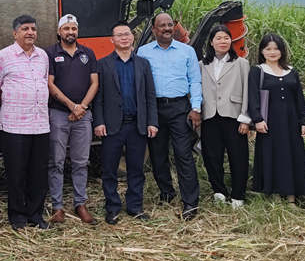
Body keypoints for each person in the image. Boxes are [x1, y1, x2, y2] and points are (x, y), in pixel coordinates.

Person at [137, 12, 203, 220]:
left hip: (179, 108)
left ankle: (190, 202)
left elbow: (195, 81)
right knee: (158, 155)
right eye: (161, 26)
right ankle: (166, 192)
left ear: (173, 27)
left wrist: (196, 108)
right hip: (154, 109)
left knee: (183, 154)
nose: (166, 28)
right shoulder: (143, 52)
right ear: (154, 30)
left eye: (169, 25)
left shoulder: (187, 51)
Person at [93, 22, 158, 224]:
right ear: (112, 40)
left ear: (132, 38)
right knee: (110, 169)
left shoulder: (143, 64)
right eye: (119, 35)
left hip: (137, 125)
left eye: (127, 34)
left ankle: (134, 207)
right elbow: (99, 97)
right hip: (112, 126)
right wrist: (99, 122)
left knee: (136, 168)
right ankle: (112, 207)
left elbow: (150, 95)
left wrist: (152, 122)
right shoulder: (102, 64)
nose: (124, 38)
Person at [0, 14, 50, 229]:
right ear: (15, 33)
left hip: (41, 124)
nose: (30, 32)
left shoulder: (43, 55)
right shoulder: (3, 56)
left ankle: (36, 214)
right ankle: (17, 216)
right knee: (16, 172)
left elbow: (44, 82)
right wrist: (12, 102)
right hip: (14, 125)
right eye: (25, 29)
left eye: (33, 28)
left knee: (39, 172)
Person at [46, 14, 99, 224]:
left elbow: (94, 83)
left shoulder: (88, 53)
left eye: (73, 29)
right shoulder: (50, 53)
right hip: (59, 114)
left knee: (81, 162)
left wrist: (82, 107)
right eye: (66, 28)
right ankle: (57, 207)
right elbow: (50, 84)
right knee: (56, 162)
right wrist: (71, 106)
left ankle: (80, 203)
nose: (70, 32)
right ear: (59, 31)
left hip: (83, 117)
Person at [248, 33, 305, 202]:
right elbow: (252, 97)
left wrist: (304, 121)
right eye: (268, 49)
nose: (272, 52)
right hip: (269, 123)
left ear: (282, 51)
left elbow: (299, 99)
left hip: (291, 123)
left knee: (292, 156)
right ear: (262, 51)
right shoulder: (258, 71)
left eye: (276, 48)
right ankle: (274, 194)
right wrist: (257, 119)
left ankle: (291, 196)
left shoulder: (291, 71)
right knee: (272, 156)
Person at [199, 24, 251, 208]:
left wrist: (246, 117)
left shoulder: (241, 63)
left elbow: (248, 91)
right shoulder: (203, 65)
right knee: (212, 156)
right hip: (210, 115)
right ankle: (219, 191)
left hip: (234, 115)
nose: (223, 41)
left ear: (231, 41)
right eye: (219, 38)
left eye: (226, 38)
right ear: (211, 42)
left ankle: (238, 194)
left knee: (238, 156)